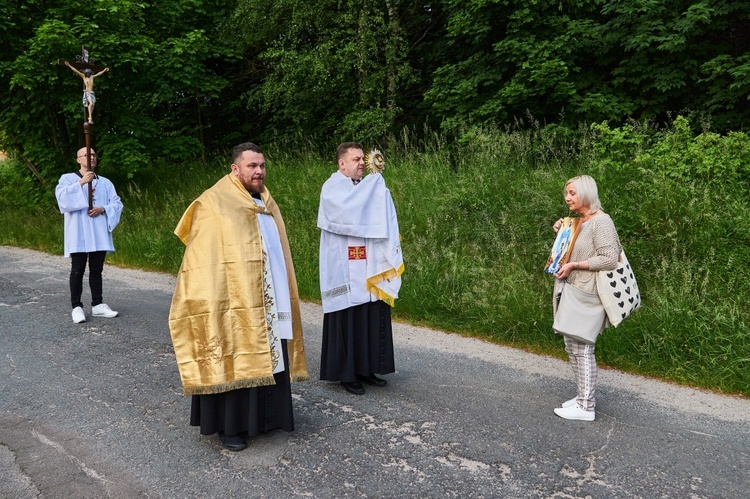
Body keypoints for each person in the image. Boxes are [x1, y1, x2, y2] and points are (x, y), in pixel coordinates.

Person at [168, 142, 309, 451]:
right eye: (251, 166)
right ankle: (230, 427)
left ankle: (266, 419)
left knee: (271, 355)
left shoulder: (265, 201)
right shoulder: (214, 202)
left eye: (262, 166)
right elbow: (202, 259)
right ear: (235, 168)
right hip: (231, 300)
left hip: (269, 296)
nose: (259, 171)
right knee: (236, 352)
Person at [318, 142, 404, 395]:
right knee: (347, 316)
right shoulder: (332, 187)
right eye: (355, 160)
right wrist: (374, 183)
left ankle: (367, 368)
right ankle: (346, 373)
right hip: (343, 265)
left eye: (362, 160)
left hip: (367, 265)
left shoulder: (365, 188)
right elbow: (349, 209)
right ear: (341, 163)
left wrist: (376, 185)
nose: (361, 164)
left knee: (368, 312)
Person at [550, 175, 621, 422]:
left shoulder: (601, 222)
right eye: (566, 193)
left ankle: (586, 406)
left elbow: (609, 259)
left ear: (586, 193)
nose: (567, 198)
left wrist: (574, 265)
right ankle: (582, 396)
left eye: (572, 193)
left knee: (582, 347)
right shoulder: (581, 221)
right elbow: (568, 251)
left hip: (587, 292)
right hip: (574, 289)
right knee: (572, 345)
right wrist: (563, 232)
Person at [55, 147, 123, 324]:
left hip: (98, 231)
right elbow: (62, 199)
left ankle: (98, 305)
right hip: (78, 231)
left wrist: (104, 209)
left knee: (96, 269)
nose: (91, 157)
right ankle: (76, 307)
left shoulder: (105, 183)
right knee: (77, 269)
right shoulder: (67, 179)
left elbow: (116, 203)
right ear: (78, 160)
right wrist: (81, 183)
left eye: (93, 155)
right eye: (86, 155)